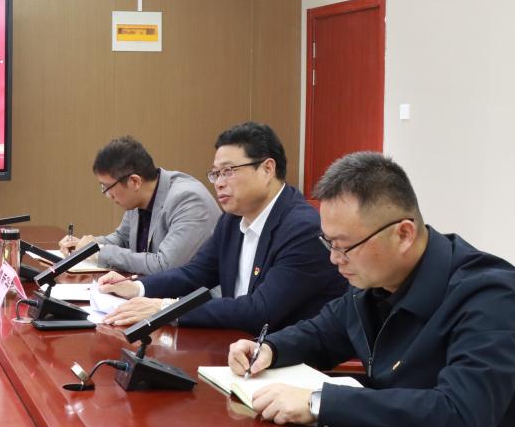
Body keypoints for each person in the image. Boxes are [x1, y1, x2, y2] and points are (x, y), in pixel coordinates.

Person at [228, 151, 515, 427]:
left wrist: (318, 403)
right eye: (328, 243)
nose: (334, 258)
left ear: (403, 234)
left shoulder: (491, 295)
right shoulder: (373, 282)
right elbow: (322, 333)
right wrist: (270, 349)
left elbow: (458, 416)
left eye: (344, 246)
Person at [98, 122, 344, 332]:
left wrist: (165, 308)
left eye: (228, 171)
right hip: (236, 345)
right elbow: (195, 273)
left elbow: (260, 311)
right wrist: (137, 287)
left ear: (267, 169)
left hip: (287, 359)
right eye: (216, 174)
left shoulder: (302, 229)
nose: (219, 183)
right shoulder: (232, 220)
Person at [58, 136, 219, 274]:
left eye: (107, 187)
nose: (108, 195)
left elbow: (165, 265)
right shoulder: (140, 198)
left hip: (197, 297)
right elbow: (122, 238)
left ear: (134, 181)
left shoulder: (188, 200)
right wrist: (88, 246)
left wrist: (100, 252)